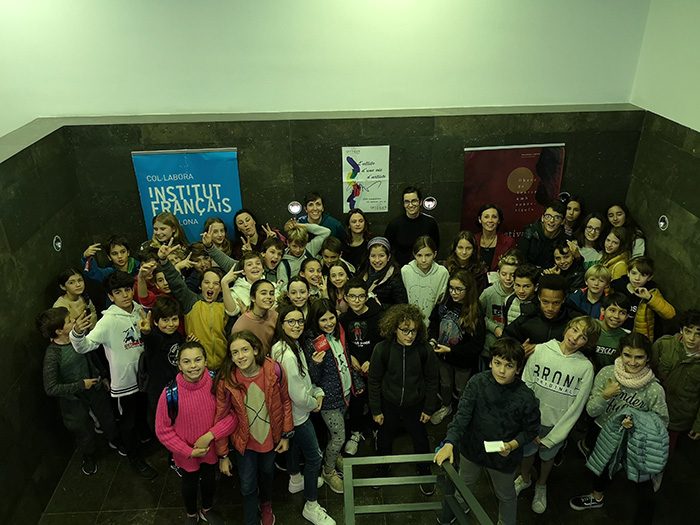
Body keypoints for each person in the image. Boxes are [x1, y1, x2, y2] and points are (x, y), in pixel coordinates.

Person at [433, 338, 540, 525]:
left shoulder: (525, 397)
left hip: (504, 457)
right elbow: (462, 415)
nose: (501, 370)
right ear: (490, 362)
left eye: (509, 365)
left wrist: (512, 445)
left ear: (518, 369)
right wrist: (450, 442)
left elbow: (531, 430)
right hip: (472, 449)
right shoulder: (477, 382)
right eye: (497, 363)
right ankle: (459, 507)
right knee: (463, 485)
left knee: (505, 495)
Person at [569, 333, 668, 525]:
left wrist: (637, 423)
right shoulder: (607, 373)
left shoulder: (654, 389)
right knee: (602, 467)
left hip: (634, 441)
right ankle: (596, 497)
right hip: (603, 432)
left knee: (643, 483)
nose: (632, 362)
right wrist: (605, 396)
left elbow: (661, 422)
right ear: (620, 353)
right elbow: (591, 410)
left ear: (648, 358)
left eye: (639, 357)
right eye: (627, 355)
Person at [69, 271, 157, 479]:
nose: (125, 295)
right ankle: (135, 458)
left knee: (142, 413)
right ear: (110, 296)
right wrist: (77, 333)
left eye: (127, 289)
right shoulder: (108, 321)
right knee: (128, 422)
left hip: (144, 377)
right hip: (125, 382)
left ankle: (144, 438)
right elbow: (84, 346)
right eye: (118, 292)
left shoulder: (139, 310)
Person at [515, 316, 600, 514]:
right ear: (567, 328)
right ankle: (524, 479)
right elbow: (525, 387)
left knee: (547, 458)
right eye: (574, 330)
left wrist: (555, 437)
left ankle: (541, 485)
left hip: (555, 426)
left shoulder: (585, 368)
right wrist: (526, 422)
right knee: (526, 454)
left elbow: (577, 407)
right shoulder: (540, 350)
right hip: (531, 421)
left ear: (587, 343)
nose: (575, 338)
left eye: (583, 337)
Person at [214, 331, 294, 525]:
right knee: (247, 484)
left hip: (270, 439)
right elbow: (220, 417)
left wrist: (286, 434)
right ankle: (251, 518)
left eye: (245, 350)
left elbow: (285, 401)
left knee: (267, 474)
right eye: (235, 352)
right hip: (245, 443)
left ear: (255, 350)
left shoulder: (274, 370)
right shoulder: (227, 380)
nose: (240, 356)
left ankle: (266, 504)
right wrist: (223, 455)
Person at [155, 342, 236, 525]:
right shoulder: (170, 393)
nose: (193, 366)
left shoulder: (217, 384)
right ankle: (191, 514)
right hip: (186, 455)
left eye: (198, 360)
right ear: (179, 365)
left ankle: (207, 509)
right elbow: (163, 430)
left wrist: (210, 435)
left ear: (206, 361)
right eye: (187, 361)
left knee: (209, 480)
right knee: (189, 484)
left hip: (211, 450)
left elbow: (232, 416)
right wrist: (188, 451)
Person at [271, 305, 336, 525]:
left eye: (299, 321)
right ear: (281, 324)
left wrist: (313, 390)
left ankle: (295, 479)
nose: (297, 325)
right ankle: (311, 505)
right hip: (298, 414)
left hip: (291, 413)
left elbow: (301, 379)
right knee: (314, 457)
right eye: (291, 321)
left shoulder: (285, 345)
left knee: (295, 446)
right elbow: (297, 394)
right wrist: (314, 402)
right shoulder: (287, 354)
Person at [39, 307, 121, 476]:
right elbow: (51, 388)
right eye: (69, 321)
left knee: (107, 418)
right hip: (73, 400)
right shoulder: (53, 354)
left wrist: (103, 376)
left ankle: (115, 440)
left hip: (95, 388)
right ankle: (89, 456)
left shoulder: (77, 339)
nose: (74, 322)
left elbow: (92, 356)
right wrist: (80, 385)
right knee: (83, 431)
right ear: (59, 331)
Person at [369, 303, 439, 495]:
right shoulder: (382, 349)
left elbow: (432, 380)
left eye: (414, 331)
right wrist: (376, 410)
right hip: (389, 404)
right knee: (384, 439)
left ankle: (424, 469)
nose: (410, 335)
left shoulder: (424, 350)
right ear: (394, 329)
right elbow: (374, 381)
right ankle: (382, 468)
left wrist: (429, 408)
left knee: (420, 439)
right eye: (405, 330)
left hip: (415, 405)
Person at [302, 299, 363, 494]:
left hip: (345, 393)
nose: (329, 323)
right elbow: (312, 378)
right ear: (315, 321)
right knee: (339, 437)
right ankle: (328, 471)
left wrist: (355, 382)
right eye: (323, 320)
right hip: (328, 400)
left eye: (331, 318)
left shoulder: (339, 332)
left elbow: (344, 359)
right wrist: (316, 364)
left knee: (334, 434)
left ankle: (334, 457)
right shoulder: (312, 342)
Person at [158, 240, 229, 370]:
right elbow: (176, 282)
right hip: (197, 368)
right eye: (206, 282)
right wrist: (164, 261)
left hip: (223, 367)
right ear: (200, 286)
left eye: (216, 283)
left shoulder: (226, 306)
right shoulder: (191, 301)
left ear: (221, 288)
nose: (211, 286)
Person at [428, 270, 486, 425]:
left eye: (459, 289)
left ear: (469, 289)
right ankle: (446, 406)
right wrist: (432, 339)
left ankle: (462, 411)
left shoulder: (474, 310)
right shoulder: (444, 302)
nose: (454, 293)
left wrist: (452, 350)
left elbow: (476, 344)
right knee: (445, 384)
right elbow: (433, 323)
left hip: (462, 361)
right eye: (451, 288)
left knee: (461, 388)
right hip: (441, 356)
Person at [339, 278, 384, 455]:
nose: (356, 300)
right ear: (346, 297)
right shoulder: (343, 319)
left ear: (366, 297)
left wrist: (372, 359)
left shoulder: (378, 316)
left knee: (376, 398)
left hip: (375, 365)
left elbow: (384, 341)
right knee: (356, 401)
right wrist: (350, 357)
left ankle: (378, 430)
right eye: (352, 296)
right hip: (355, 368)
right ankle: (355, 433)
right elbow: (342, 343)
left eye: (360, 296)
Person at [653, 309, 700, 453]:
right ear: (681, 330)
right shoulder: (664, 344)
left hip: (679, 417)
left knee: (664, 452)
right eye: (688, 331)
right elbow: (648, 370)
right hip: (653, 409)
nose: (691, 338)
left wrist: (698, 425)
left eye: (698, 334)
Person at [139, 296, 183, 435]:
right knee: (162, 423)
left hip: (176, 388)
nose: (170, 324)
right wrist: (146, 332)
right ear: (156, 322)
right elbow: (149, 339)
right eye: (165, 320)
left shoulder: (178, 336)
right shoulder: (155, 338)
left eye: (174, 319)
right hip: (159, 391)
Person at [504, 274, 577, 357]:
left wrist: (540, 348)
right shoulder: (527, 317)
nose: (550, 308)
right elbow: (504, 342)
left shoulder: (574, 322)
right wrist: (519, 351)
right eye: (545, 302)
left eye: (556, 303)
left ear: (563, 300)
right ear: (539, 297)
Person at [611, 256, 676, 340]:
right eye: (634, 273)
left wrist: (649, 298)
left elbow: (670, 314)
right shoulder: (617, 286)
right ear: (628, 273)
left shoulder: (652, 291)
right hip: (615, 331)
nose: (637, 278)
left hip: (637, 337)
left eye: (643, 275)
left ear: (649, 277)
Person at [384, 186, 440, 266]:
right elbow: (386, 250)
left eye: (414, 201)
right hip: (401, 269)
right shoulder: (394, 225)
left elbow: (435, 247)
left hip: (425, 267)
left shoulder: (430, 223)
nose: (410, 205)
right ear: (403, 204)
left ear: (420, 202)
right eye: (407, 202)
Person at [401, 235, 450, 326]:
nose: (423, 260)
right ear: (414, 254)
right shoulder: (406, 271)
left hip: (433, 323)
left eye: (428, 255)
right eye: (419, 255)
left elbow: (442, 301)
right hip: (409, 323)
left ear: (435, 254)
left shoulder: (442, 273)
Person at [479, 251, 519, 360]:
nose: (508, 278)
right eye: (504, 274)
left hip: (512, 348)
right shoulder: (489, 293)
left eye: (512, 275)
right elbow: (477, 314)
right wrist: (494, 327)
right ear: (498, 273)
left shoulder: (520, 295)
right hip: (489, 347)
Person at [230, 279, 279, 356]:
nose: (269, 297)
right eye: (263, 293)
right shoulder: (241, 326)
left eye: (271, 294)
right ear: (253, 298)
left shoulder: (275, 316)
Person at [360, 237, 407, 307]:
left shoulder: (395, 278)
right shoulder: (363, 271)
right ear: (368, 257)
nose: (377, 260)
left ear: (388, 257)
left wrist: (379, 305)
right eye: (373, 256)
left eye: (381, 256)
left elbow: (402, 306)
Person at [518, 201, 566, 268]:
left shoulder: (564, 239)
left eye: (557, 217)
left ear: (563, 221)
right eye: (548, 216)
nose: (552, 220)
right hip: (529, 271)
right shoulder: (530, 232)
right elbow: (521, 261)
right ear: (542, 218)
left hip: (552, 272)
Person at [474, 204, 516, 271]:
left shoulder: (508, 242)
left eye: (494, 217)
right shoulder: (473, 240)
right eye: (486, 217)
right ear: (480, 219)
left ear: (499, 220)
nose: (490, 220)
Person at [503, 263, 539, 329]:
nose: (521, 291)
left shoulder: (540, 306)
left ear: (536, 287)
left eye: (526, 286)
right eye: (517, 285)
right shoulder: (509, 300)